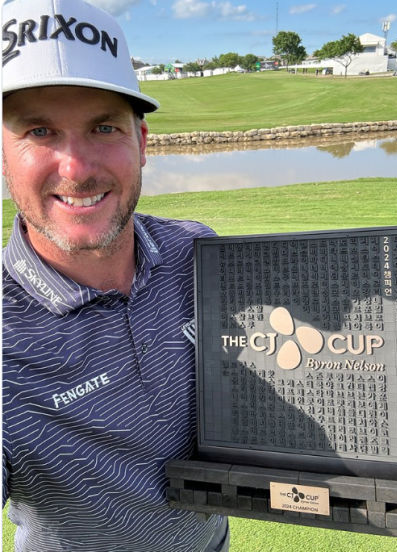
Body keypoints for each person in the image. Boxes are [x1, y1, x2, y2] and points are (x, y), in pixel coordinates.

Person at [2, 0, 229, 550]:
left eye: (104, 126)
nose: (76, 168)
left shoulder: (198, 250)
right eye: (39, 131)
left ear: (143, 144)